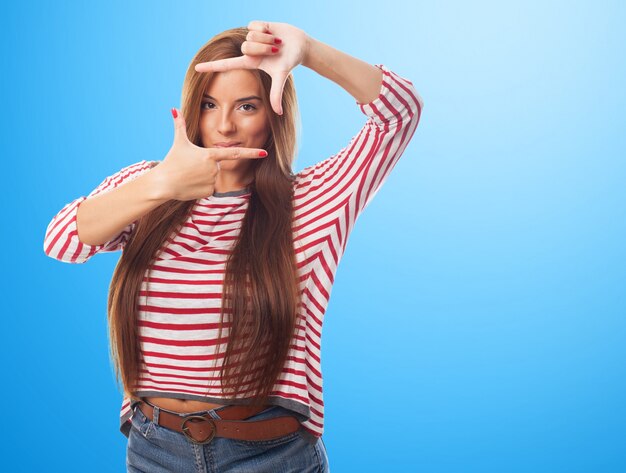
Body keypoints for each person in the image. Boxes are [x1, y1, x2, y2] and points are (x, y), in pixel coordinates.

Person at [43, 20, 423, 473]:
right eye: (209, 104)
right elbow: (62, 241)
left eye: (246, 106)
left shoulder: (312, 201)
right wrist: (162, 183)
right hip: (154, 449)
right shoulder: (147, 187)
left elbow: (400, 113)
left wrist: (308, 51)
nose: (224, 125)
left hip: (269, 454)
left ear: (275, 112)